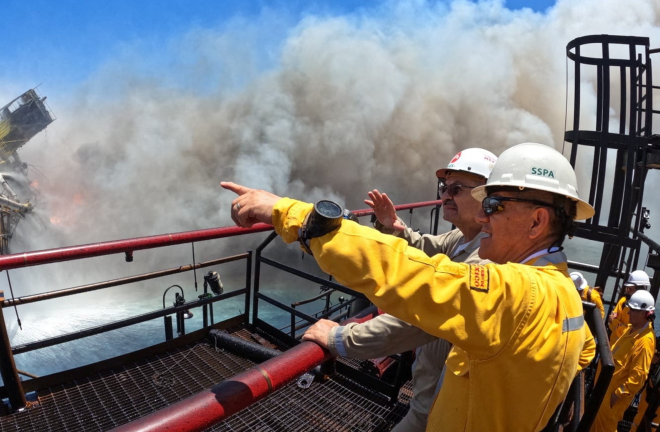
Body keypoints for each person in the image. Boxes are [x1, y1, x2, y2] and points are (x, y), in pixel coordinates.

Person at [223, 142, 597, 432]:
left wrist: (294, 214)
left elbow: (410, 274)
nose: (484, 214)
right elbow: (584, 354)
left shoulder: (517, 293)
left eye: (495, 203)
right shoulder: (566, 292)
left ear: (537, 222)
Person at [302, 148, 497, 432]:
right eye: (444, 187)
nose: (445, 195)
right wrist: (396, 228)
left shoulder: (486, 259)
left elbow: (415, 319)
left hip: (443, 406)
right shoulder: (466, 237)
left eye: (456, 189)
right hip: (432, 389)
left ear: (487, 197)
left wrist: (339, 337)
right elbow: (428, 246)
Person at [590, 289, 656, 432]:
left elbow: (639, 376)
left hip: (613, 397)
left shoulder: (645, 341)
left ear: (645, 314)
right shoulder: (632, 330)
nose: (628, 312)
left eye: (633, 310)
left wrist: (617, 395)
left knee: (605, 427)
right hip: (606, 390)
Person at [610, 270, 652, 344]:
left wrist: (615, 324)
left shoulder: (646, 309)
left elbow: (632, 332)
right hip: (612, 348)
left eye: (630, 289)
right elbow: (610, 321)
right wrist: (620, 326)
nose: (627, 291)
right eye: (627, 288)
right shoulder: (623, 302)